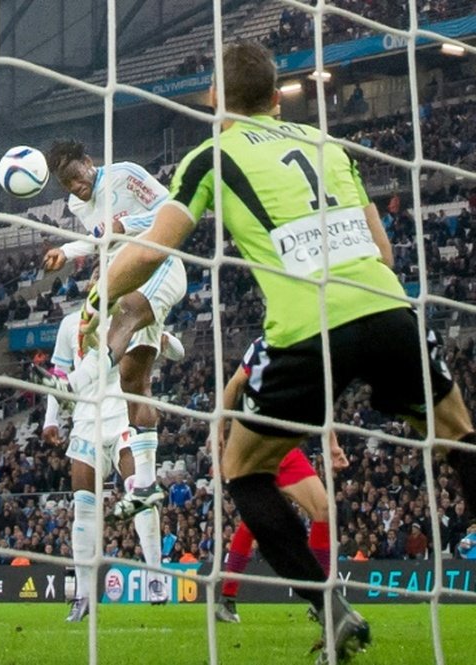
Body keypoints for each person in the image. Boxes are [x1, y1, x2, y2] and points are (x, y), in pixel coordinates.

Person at [83, 40, 476, 660]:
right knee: (458, 435)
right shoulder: (330, 146)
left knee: (243, 470)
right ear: (275, 98)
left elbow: (154, 250)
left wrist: (95, 299)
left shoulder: (210, 155)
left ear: (215, 100)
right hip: (385, 307)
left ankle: (330, 609)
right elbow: (387, 254)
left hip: (304, 330)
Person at [40, 140, 186, 517]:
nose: (74, 187)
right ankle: (146, 485)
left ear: (88, 163)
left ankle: (76, 383)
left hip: (160, 263)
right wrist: (67, 252)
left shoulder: (126, 174)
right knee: (133, 381)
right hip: (124, 276)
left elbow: (171, 210)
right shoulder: (77, 205)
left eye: (76, 176)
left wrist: (126, 224)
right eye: (65, 183)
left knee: (126, 311)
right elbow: (101, 239)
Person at [41, 303, 167, 623]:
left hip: (124, 415)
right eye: (97, 271)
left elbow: (163, 348)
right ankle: (82, 595)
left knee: (139, 492)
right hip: (86, 423)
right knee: (83, 507)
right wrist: (50, 420)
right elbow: (58, 374)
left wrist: (164, 339)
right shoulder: (71, 323)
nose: (101, 275)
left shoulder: (131, 315)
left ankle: (155, 575)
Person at [214, 337, 350, 624]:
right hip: (253, 444)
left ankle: (321, 596)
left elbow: (322, 403)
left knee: (323, 509)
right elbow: (235, 384)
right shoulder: (264, 345)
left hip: (286, 450)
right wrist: (219, 432)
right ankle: (226, 598)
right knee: (255, 520)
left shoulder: (314, 350)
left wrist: (334, 446)